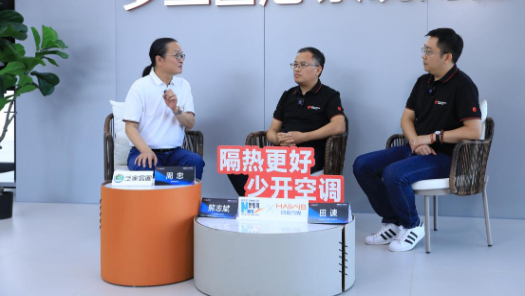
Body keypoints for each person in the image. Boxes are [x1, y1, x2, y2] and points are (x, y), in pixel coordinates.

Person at [353, 28, 482, 252]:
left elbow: (474, 131)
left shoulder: (463, 86)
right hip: (415, 149)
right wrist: (415, 142)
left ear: (447, 57)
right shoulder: (423, 82)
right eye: (424, 50)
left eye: (429, 51)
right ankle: (393, 222)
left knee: (394, 174)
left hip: (447, 157)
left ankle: (412, 225)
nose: (423, 55)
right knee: (362, 165)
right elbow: (406, 119)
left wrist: (431, 138)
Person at [228, 47, 346, 196]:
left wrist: (303, 137)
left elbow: (339, 126)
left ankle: (273, 203)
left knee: (286, 168)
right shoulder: (288, 95)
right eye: (295, 65)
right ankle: (260, 203)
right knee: (235, 166)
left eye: (303, 65)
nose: (297, 69)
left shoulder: (329, 95)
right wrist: (277, 139)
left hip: (308, 155)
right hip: (280, 152)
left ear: (318, 69)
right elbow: (272, 130)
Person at [123, 38, 205, 180]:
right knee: (145, 165)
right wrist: (146, 151)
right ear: (159, 60)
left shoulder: (183, 85)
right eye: (177, 55)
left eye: (182, 55)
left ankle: (178, 194)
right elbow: (130, 127)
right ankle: (162, 192)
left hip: (175, 153)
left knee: (194, 161)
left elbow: (190, 124)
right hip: (144, 151)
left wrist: (175, 109)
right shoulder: (140, 86)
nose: (181, 60)